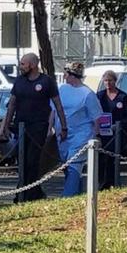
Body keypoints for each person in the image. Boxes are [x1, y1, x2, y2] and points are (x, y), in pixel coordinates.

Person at [0, 53, 67, 202]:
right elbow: (12, 104)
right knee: (22, 161)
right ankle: (31, 192)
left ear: (33, 65)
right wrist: (6, 125)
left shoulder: (46, 81)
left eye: (23, 64)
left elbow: (58, 105)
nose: (21, 67)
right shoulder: (19, 82)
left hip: (39, 127)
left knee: (32, 160)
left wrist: (63, 126)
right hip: (21, 127)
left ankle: (26, 193)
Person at [54, 63, 102, 197]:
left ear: (72, 75)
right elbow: (53, 110)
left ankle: (66, 198)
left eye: (66, 74)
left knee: (74, 166)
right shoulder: (61, 89)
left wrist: (96, 136)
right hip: (62, 136)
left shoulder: (87, 94)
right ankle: (78, 195)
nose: (64, 76)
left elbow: (96, 118)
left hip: (80, 137)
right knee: (67, 167)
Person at [96, 70, 127, 190]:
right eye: (105, 80)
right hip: (102, 133)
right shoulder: (99, 96)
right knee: (101, 159)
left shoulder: (123, 97)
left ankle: (112, 183)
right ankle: (101, 184)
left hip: (117, 134)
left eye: (110, 80)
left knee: (113, 160)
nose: (107, 83)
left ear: (115, 81)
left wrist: (119, 125)